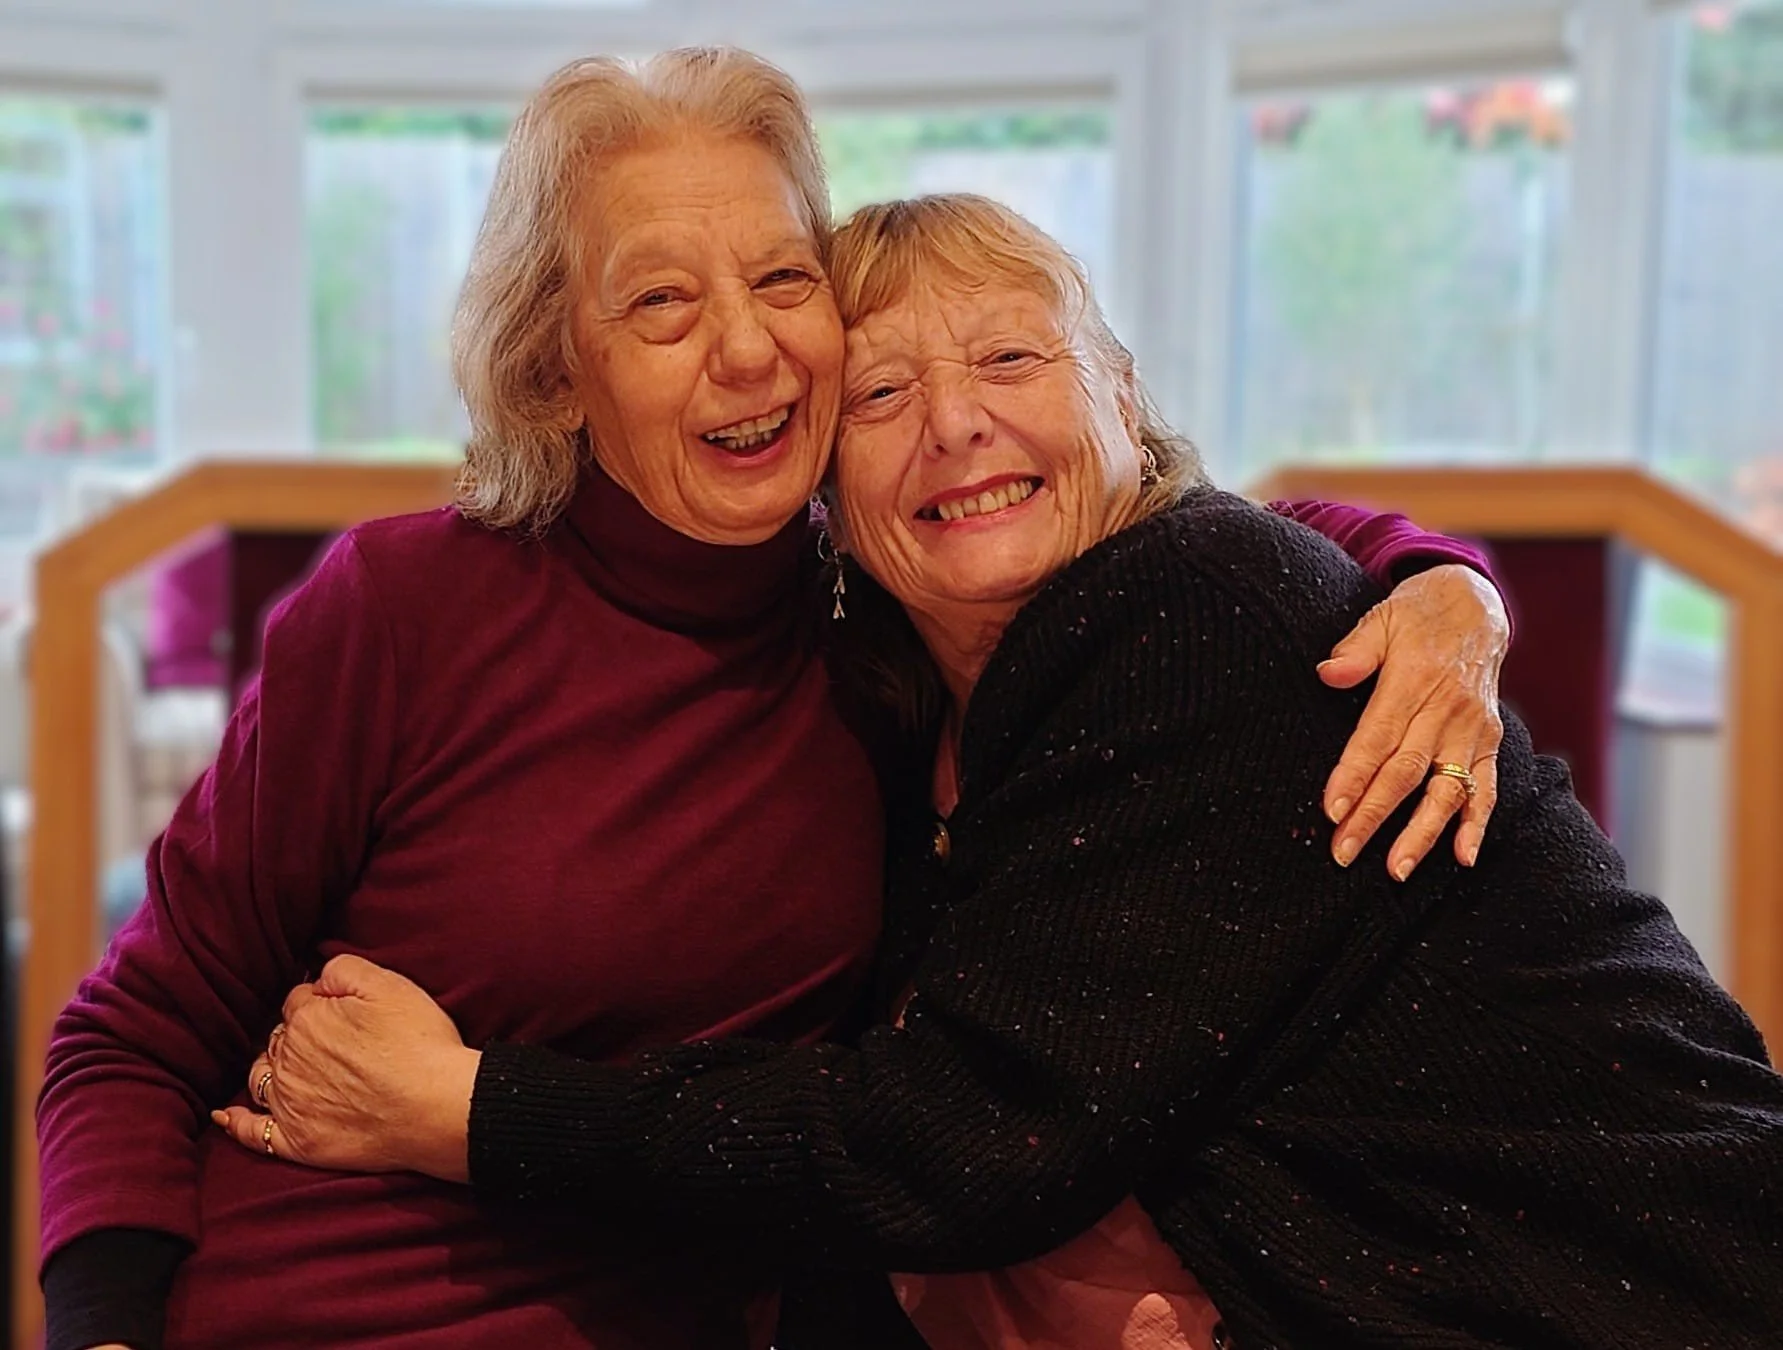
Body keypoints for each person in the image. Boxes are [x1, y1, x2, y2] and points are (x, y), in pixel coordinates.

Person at [38, 51, 1508, 1350]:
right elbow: (132, 1031)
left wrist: (1447, 588)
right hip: (315, 1300)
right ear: (559, 373)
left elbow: (1190, 525)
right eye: (662, 303)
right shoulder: (400, 606)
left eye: (782, 279)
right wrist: (102, 1326)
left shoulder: (880, 621)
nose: (745, 347)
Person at [228, 193, 1783, 1350]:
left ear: (1119, 393)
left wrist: (476, 1111)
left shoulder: (1190, 609)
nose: (956, 425)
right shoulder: (919, 715)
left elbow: (960, 1134)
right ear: (822, 481)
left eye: (1009, 358)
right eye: (883, 396)